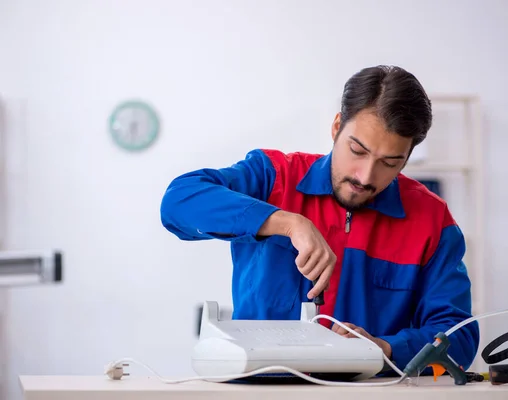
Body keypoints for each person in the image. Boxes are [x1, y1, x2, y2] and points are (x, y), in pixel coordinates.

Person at [160, 65, 480, 372]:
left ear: (408, 157)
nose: (366, 176)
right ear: (336, 126)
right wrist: (288, 223)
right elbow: (178, 201)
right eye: (357, 150)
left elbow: (460, 339)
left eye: (390, 162)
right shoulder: (273, 177)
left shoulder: (432, 220)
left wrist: (383, 349)